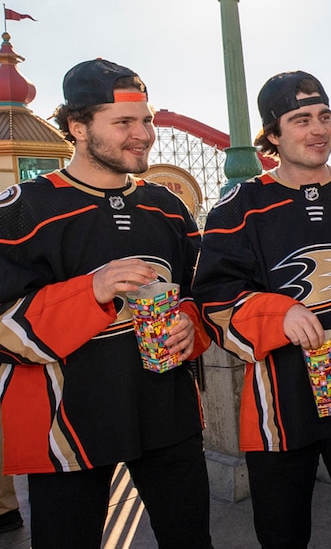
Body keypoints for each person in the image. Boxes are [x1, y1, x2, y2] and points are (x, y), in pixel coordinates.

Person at [192, 70, 331, 548]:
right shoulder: (239, 206)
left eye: (324, 117)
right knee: (281, 534)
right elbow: (212, 301)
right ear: (271, 135)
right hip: (277, 409)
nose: (318, 130)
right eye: (300, 120)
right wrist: (278, 315)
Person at [0, 59, 212, 548]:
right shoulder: (23, 209)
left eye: (148, 120)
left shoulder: (167, 205)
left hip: (168, 417)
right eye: (123, 122)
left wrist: (189, 324)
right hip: (69, 430)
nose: (144, 135)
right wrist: (91, 290)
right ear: (77, 127)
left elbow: (204, 296)